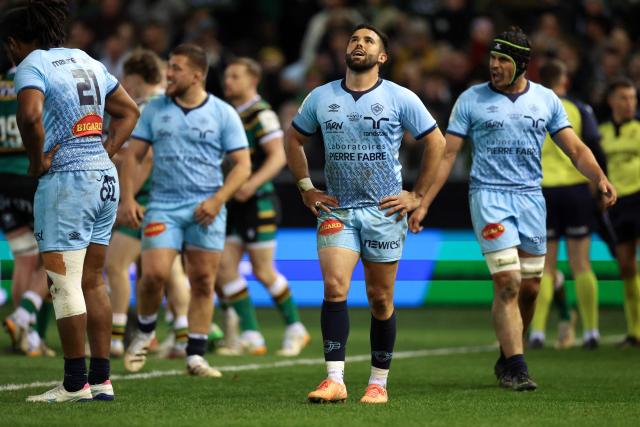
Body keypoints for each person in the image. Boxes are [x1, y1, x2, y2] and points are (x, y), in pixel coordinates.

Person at [409, 26, 616, 391]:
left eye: (503, 59)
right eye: (492, 57)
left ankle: (507, 356)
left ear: (522, 64)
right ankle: (517, 367)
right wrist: (423, 201)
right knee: (507, 281)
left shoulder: (546, 100)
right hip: (489, 196)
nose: (495, 65)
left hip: (531, 199)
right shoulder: (470, 100)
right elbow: (448, 155)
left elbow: (576, 149)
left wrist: (599, 177)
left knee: (532, 288)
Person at [285, 24, 446, 404]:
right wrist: (307, 187)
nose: (359, 44)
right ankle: (334, 379)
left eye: (368, 40)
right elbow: (293, 138)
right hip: (337, 207)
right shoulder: (321, 97)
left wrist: (417, 195)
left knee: (379, 299)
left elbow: (436, 142)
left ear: (382, 56)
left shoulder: (399, 97)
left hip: (384, 211)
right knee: (335, 287)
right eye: (354, 39)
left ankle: (378, 383)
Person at [2, 0, 139, 402]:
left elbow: (29, 116)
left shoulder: (31, 64)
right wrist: (107, 150)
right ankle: (101, 380)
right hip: (103, 180)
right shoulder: (87, 60)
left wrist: (35, 160)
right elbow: (129, 112)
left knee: (63, 285)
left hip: (66, 181)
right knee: (93, 281)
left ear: (14, 42)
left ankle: (74, 383)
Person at [119, 43, 251, 377]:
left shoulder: (222, 113)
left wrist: (218, 199)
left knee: (204, 280)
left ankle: (195, 354)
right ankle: (145, 332)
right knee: (153, 275)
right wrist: (129, 199)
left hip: (207, 207)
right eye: (169, 67)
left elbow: (242, 165)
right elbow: (133, 156)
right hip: (163, 204)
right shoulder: (154, 110)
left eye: (176, 68)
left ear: (197, 75)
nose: (169, 73)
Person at [215, 57, 309, 357]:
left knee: (263, 270)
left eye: (234, 76)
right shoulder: (228, 113)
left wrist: (251, 184)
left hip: (258, 201)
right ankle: (252, 335)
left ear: (252, 81)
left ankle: (296, 329)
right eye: (227, 76)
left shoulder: (262, 114)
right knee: (225, 268)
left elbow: (278, 157)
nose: (227, 81)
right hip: (234, 202)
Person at [104, 49, 191, 359]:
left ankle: (115, 339)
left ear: (135, 78)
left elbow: (144, 158)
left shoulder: (143, 108)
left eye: (126, 78)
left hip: (144, 200)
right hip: (174, 196)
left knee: (115, 265)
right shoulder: (173, 104)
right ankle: (182, 336)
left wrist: (125, 198)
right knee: (171, 270)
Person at [529, 59, 606, 350]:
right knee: (581, 263)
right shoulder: (579, 108)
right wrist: (600, 184)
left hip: (542, 190)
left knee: (545, 266)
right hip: (575, 190)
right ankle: (591, 331)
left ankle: (537, 332)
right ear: (565, 81)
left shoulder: (531, 105)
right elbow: (592, 147)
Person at [0, 61, 54, 357]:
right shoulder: (34, 78)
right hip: (30, 174)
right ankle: (23, 317)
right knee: (54, 257)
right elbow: (36, 120)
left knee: (24, 257)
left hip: (3, 181)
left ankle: (28, 338)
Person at [598, 77, 640, 347]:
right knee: (626, 266)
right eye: (623, 98)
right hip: (618, 203)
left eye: (632, 98)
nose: (629, 103)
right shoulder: (600, 133)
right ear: (612, 101)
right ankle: (635, 331)